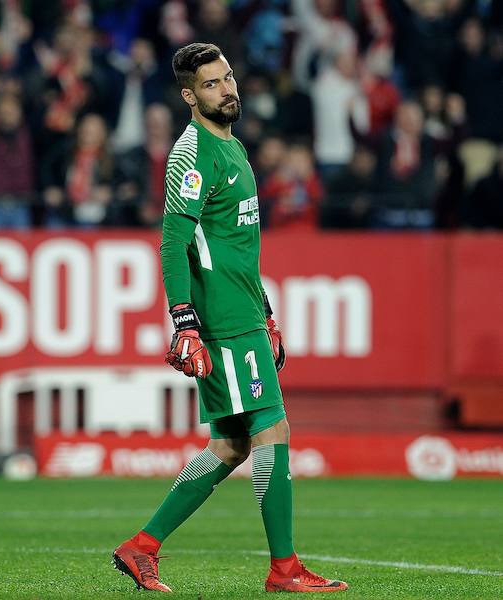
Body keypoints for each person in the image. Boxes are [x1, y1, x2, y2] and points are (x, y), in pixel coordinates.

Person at [111, 43, 348, 594]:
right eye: (212, 84)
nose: (227, 89)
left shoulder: (234, 146)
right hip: (222, 322)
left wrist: (266, 311)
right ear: (189, 96)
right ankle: (284, 568)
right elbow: (173, 244)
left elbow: (235, 247)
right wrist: (185, 321)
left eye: (229, 77)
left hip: (244, 314)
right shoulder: (192, 154)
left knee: (231, 446)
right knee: (273, 431)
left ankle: (142, 547)